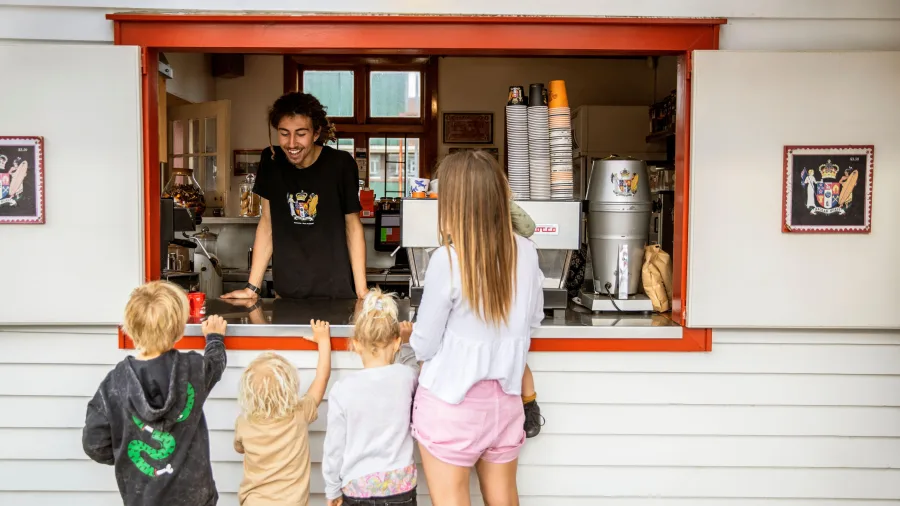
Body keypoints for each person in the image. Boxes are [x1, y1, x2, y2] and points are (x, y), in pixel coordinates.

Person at [409, 150, 544, 506]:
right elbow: (534, 320)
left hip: (450, 404)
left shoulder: (448, 259)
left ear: (457, 202)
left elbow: (423, 346)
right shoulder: (527, 252)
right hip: (505, 405)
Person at [81, 280, 228, 506]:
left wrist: (127, 457)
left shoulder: (114, 385)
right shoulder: (193, 369)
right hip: (196, 499)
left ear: (130, 328)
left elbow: (94, 444)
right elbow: (215, 364)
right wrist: (215, 338)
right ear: (179, 330)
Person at [223, 91, 367, 300]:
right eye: (284, 133)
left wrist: (362, 290)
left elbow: (352, 226)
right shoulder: (271, 161)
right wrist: (252, 288)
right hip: (287, 292)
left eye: (301, 134)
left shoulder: (340, 164)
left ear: (316, 133)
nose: (291, 143)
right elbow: (267, 224)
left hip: (336, 291)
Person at [322, 289, 419, 506]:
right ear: (395, 343)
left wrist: (332, 489)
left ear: (355, 345)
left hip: (357, 488)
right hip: (400, 486)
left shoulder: (343, 388)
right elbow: (414, 366)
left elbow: (334, 447)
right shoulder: (407, 377)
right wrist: (407, 344)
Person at [234, 320, 333, 506]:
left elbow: (240, 448)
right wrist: (323, 341)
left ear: (248, 393)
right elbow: (322, 377)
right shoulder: (299, 414)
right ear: (290, 387)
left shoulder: (244, 422)